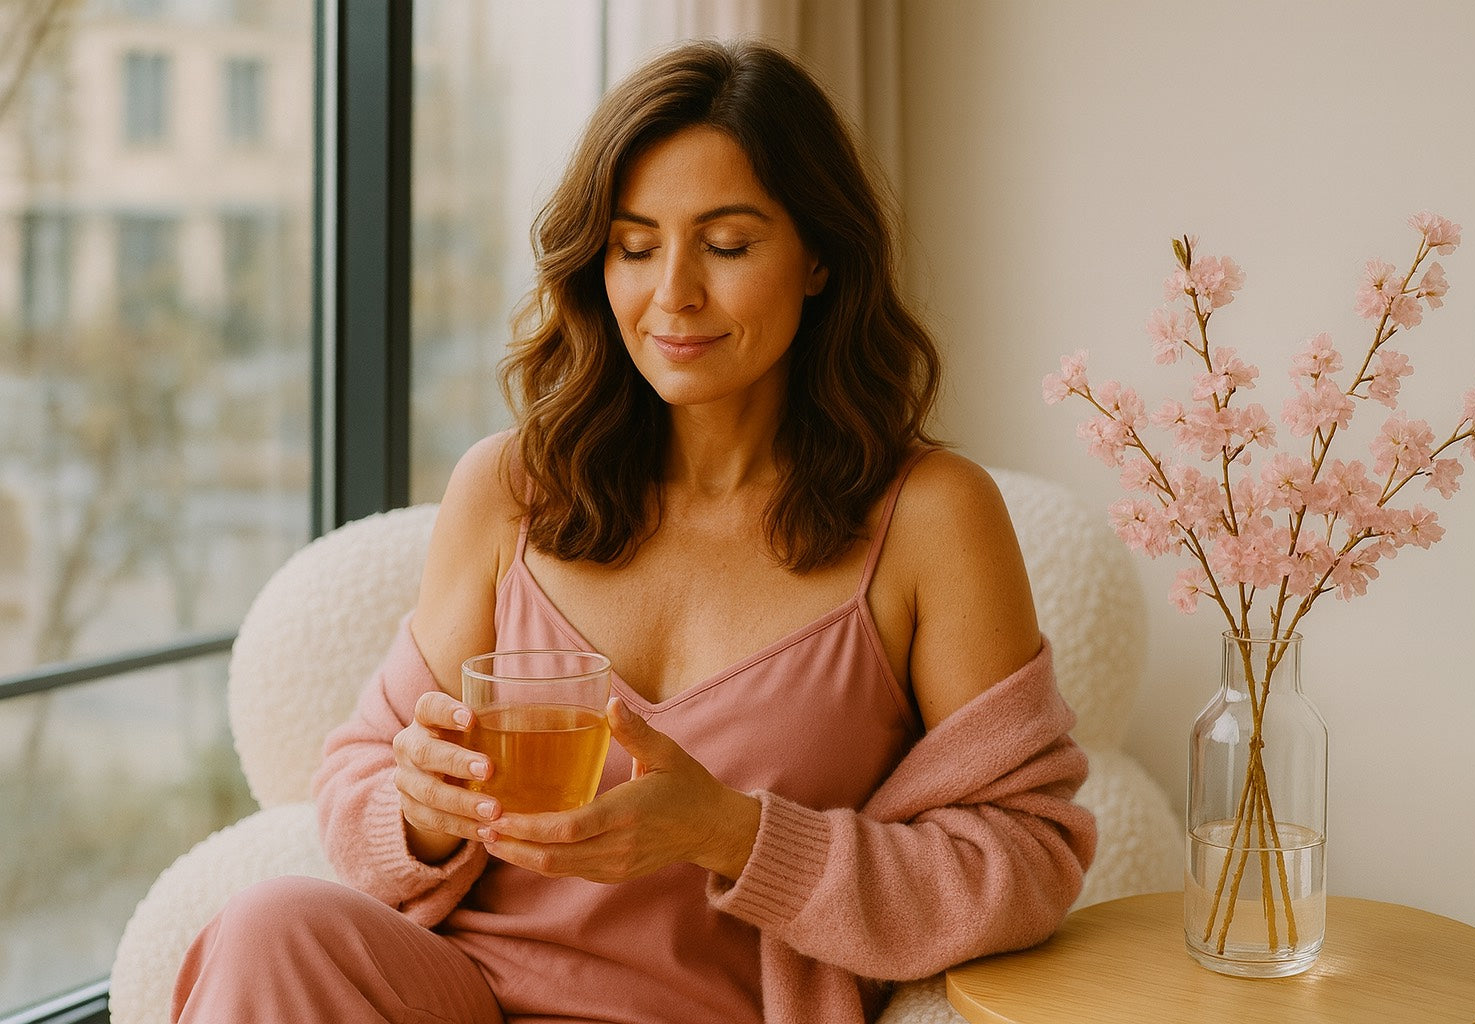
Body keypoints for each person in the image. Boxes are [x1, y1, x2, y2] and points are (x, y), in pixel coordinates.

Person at [171, 38, 1095, 1024]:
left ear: (821, 256)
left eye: (727, 245)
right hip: (464, 996)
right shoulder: (510, 490)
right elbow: (362, 773)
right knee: (266, 927)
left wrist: (735, 834)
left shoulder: (930, 518)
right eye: (635, 246)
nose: (673, 294)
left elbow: (1026, 854)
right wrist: (423, 811)